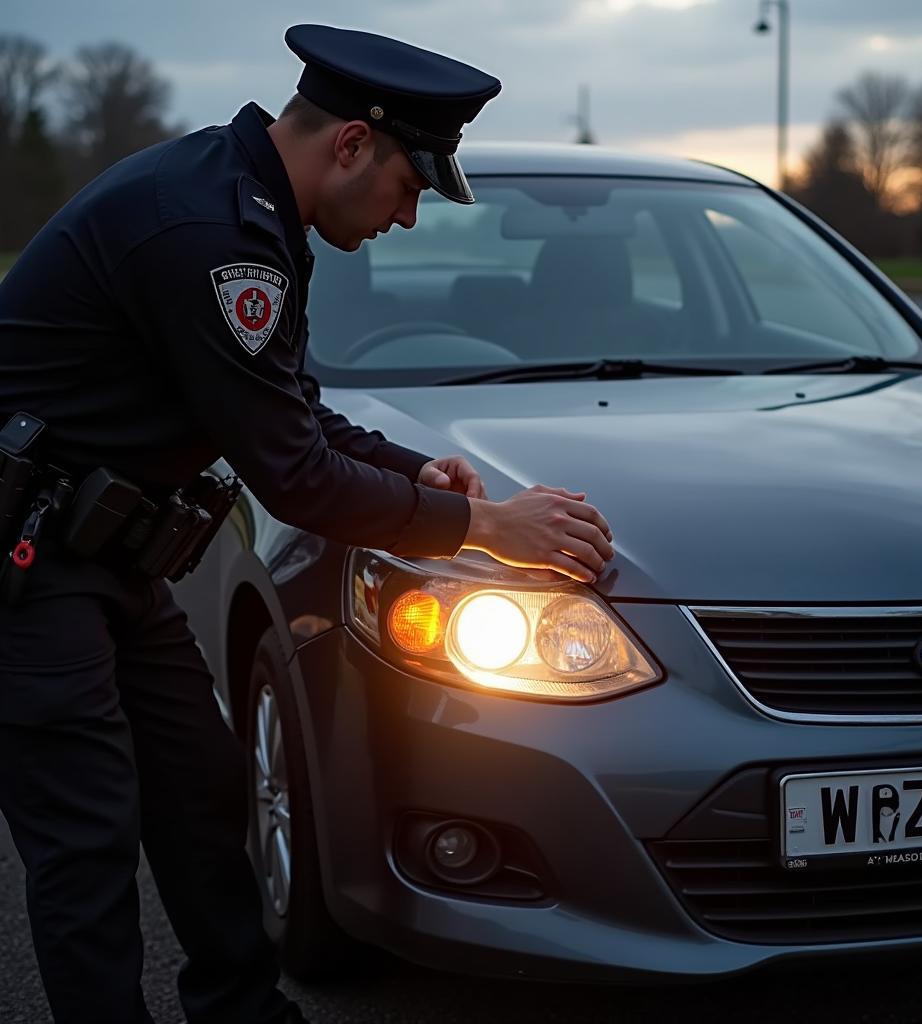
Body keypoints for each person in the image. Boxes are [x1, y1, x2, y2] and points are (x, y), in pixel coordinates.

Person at [0, 23, 614, 1024]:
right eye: (411, 187)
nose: (408, 217)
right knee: (87, 841)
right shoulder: (213, 234)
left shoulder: (251, 211)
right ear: (350, 146)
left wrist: (416, 468)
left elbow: (291, 412)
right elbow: (294, 478)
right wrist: (486, 525)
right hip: (30, 566)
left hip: (108, 554)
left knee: (201, 794)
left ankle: (243, 1011)